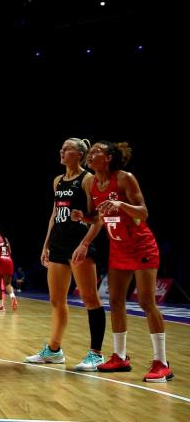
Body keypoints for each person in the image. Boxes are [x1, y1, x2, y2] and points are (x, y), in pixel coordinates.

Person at [87, 142, 173, 382]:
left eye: (97, 152)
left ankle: (162, 363)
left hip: (141, 246)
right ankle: (120, 357)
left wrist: (121, 204)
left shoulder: (125, 178)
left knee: (146, 302)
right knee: (115, 302)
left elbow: (143, 212)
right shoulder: (93, 183)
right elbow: (99, 218)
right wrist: (83, 217)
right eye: (90, 151)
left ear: (109, 158)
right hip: (118, 248)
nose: (91, 155)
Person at [25, 138, 106, 372]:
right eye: (61, 148)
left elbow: (98, 217)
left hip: (79, 244)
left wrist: (84, 244)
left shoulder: (88, 179)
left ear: (79, 154)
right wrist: (46, 245)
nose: (61, 151)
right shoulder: (57, 181)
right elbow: (54, 215)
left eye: (66, 149)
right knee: (56, 300)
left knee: (90, 298)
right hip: (58, 245)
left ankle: (96, 354)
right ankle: (54, 350)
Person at [0, 224, 17, 311]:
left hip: (0, 260)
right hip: (9, 260)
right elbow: (10, 251)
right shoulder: (5, 239)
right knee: (7, 284)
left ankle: (1, 306)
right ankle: (13, 296)